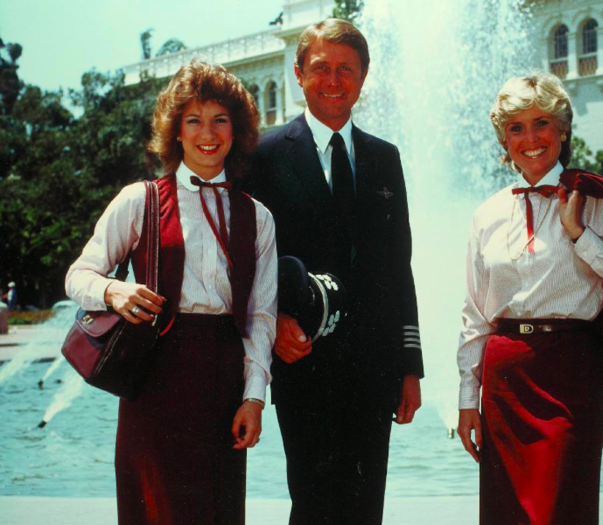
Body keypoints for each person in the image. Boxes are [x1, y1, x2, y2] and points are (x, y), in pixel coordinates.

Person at [457, 71, 603, 524]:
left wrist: (580, 235)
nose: (530, 138)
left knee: (563, 509)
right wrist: (466, 400)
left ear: (562, 129)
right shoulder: (486, 214)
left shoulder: (593, 200)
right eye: (516, 127)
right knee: (507, 514)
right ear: (503, 138)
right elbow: (475, 316)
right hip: (505, 379)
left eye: (541, 123)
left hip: (568, 371)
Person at [66, 60, 277, 525]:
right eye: (194, 119)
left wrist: (254, 397)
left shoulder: (258, 217)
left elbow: (261, 316)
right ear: (176, 130)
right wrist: (113, 291)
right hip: (154, 377)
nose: (208, 132)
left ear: (236, 129)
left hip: (224, 382)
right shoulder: (138, 199)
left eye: (220, 119)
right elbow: (78, 276)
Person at [248, 18, 424, 525]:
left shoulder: (384, 158)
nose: (333, 81)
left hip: (374, 364)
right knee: (313, 498)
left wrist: (409, 363)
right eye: (321, 68)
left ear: (364, 77)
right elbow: (249, 260)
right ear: (299, 73)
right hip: (302, 358)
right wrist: (275, 320)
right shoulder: (263, 155)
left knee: (367, 505)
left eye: (346, 69)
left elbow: (399, 265)